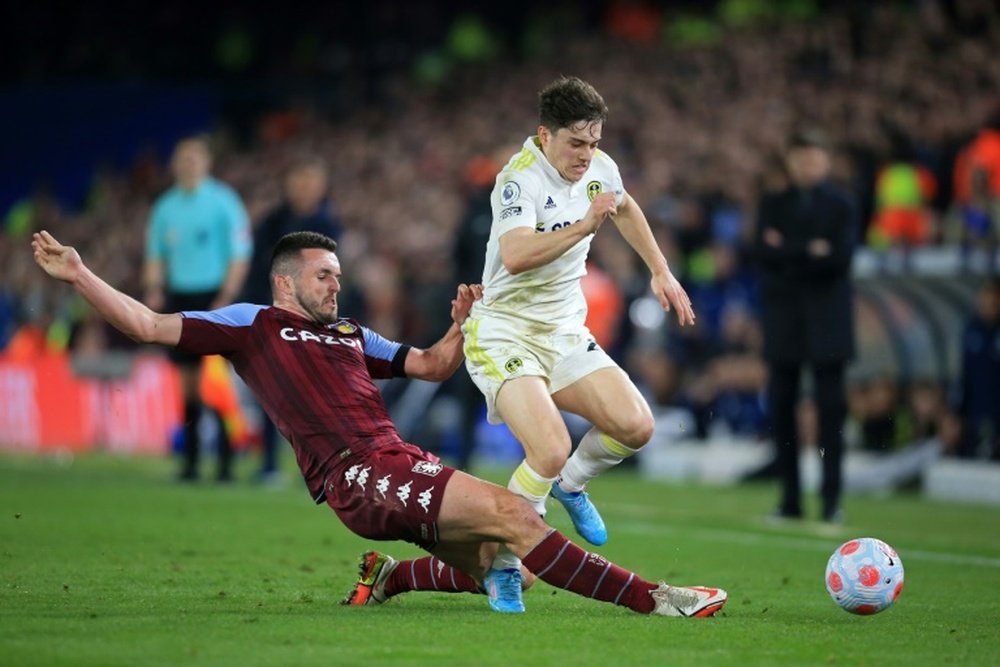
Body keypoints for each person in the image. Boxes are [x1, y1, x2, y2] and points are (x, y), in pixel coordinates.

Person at [31, 229, 727, 619]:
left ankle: (389, 577)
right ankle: (656, 597)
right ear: (285, 282)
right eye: (324, 275)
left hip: (394, 461)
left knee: (508, 566)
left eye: (337, 274)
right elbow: (151, 324)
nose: (337, 285)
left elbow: (426, 365)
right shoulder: (255, 324)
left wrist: (459, 326)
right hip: (357, 473)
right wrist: (82, 275)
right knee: (518, 515)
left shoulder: (348, 331)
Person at [462, 76, 695, 609]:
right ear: (545, 135)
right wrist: (587, 223)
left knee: (636, 425)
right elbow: (517, 254)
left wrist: (660, 270)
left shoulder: (600, 166)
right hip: (504, 331)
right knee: (546, 445)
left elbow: (626, 208)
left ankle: (571, 484)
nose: (587, 156)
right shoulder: (517, 180)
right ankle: (504, 566)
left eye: (594, 143)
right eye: (576, 143)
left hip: (565, 330)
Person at [752, 129, 858, 523]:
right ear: (790, 162)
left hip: (829, 326)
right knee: (782, 409)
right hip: (786, 323)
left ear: (826, 162)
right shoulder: (773, 203)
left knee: (832, 411)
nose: (808, 167)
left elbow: (840, 259)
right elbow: (762, 254)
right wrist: (811, 249)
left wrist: (787, 250)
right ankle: (789, 500)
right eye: (801, 159)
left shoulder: (842, 205)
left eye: (814, 159)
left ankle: (832, 501)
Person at [143, 136, 253, 482]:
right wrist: (155, 289)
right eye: (183, 159)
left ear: (206, 163)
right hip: (180, 298)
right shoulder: (165, 208)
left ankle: (226, 463)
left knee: (217, 384)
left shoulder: (224, 202)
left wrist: (227, 295)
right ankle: (190, 463)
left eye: (194, 158)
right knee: (188, 385)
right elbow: (155, 255)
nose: (188, 165)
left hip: (214, 297)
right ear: (175, 165)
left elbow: (239, 253)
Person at [240, 156, 343, 482]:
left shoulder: (330, 226)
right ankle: (269, 464)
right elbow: (258, 269)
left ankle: (325, 466)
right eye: (300, 181)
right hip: (274, 316)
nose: (305, 188)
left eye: (311, 182)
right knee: (273, 391)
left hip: (314, 320)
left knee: (316, 395)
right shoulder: (272, 222)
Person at [953, 277, 1000, 460]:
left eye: (995, 300)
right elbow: (964, 376)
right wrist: (956, 413)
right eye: (986, 299)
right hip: (975, 414)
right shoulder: (971, 330)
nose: (990, 304)